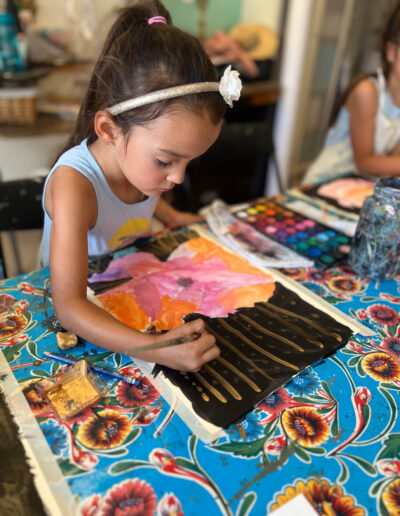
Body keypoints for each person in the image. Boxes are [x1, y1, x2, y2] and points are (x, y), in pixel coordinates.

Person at [38, 0, 242, 372]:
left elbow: (142, 201)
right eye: (166, 161)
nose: (178, 178)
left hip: (125, 277)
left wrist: (174, 216)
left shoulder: (143, 171)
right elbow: (68, 308)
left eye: (189, 162)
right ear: (109, 131)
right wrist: (153, 349)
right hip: (74, 307)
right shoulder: (74, 185)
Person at [302, 1, 400, 186]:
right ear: (391, 52)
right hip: (323, 186)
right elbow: (364, 162)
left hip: (362, 189)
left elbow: (392, 163)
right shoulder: (367, 92)